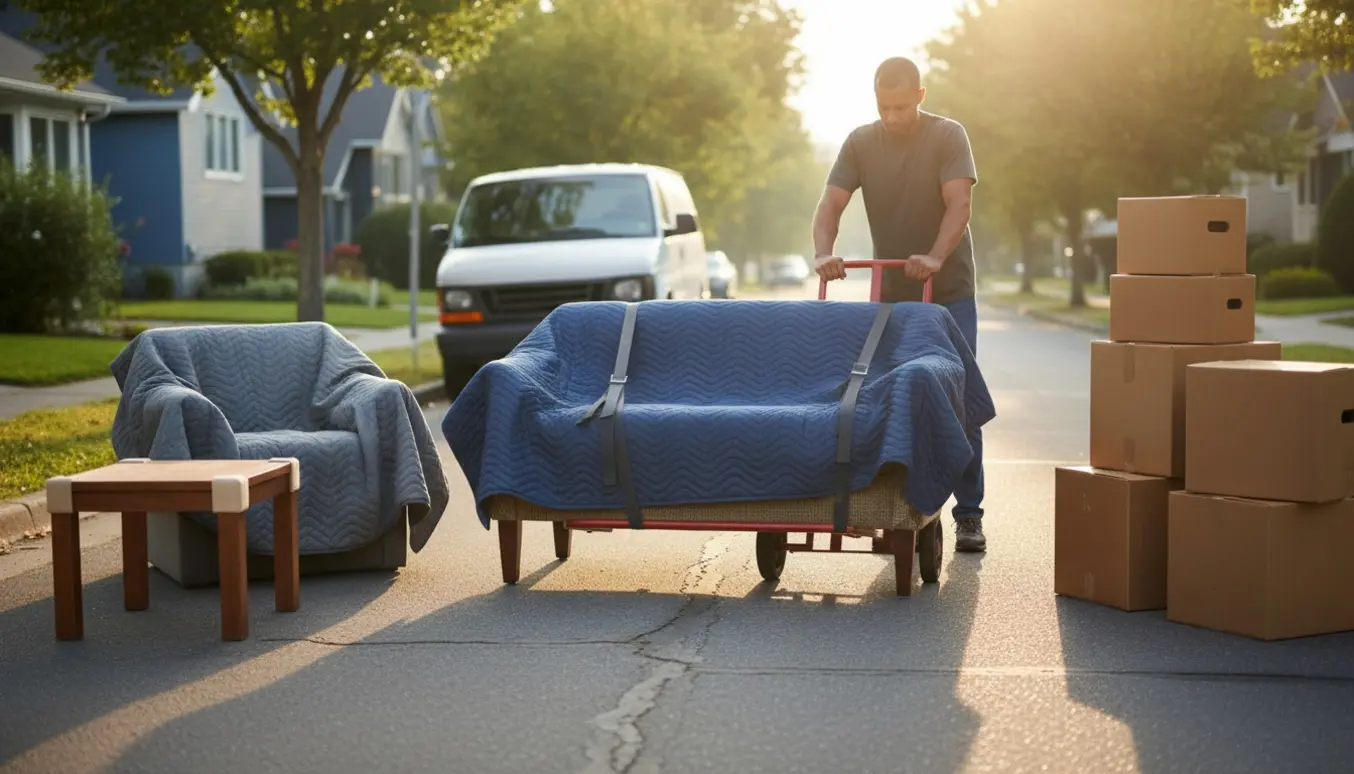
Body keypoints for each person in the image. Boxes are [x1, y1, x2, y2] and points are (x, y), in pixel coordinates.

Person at [812, 55, 987, 552]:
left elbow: (960, 204)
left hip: (948, 291)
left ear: (920, 96)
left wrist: (934, 256)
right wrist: (824, 253)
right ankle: (894, 505)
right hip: (891, 293)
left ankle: (969, 515)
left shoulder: (948, 136)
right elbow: (830, 205)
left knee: (958, 400)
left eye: (901, 107)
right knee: (886, 397)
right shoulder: (861, 142)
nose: (892, 117)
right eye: (884, 107)